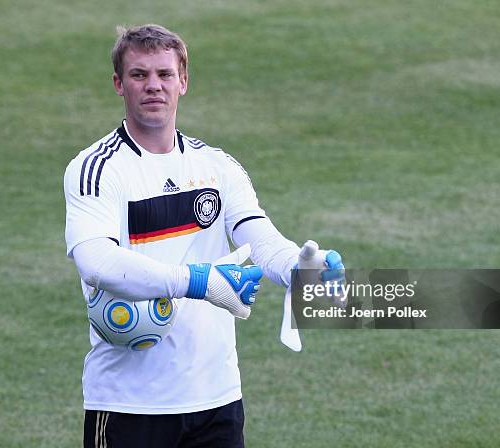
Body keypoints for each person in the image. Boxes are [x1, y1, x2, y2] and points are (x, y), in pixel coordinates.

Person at [64, 24, 344, 448]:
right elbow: (98, 264)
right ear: (119, 85)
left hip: (217, 401)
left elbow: (260, 241)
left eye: (165, 74)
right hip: (129, 405)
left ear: (184, 82)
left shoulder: (219, 167)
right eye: (139, 75)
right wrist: (198, 282)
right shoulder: (97, 168)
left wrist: (299, 266)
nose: (154, 86)